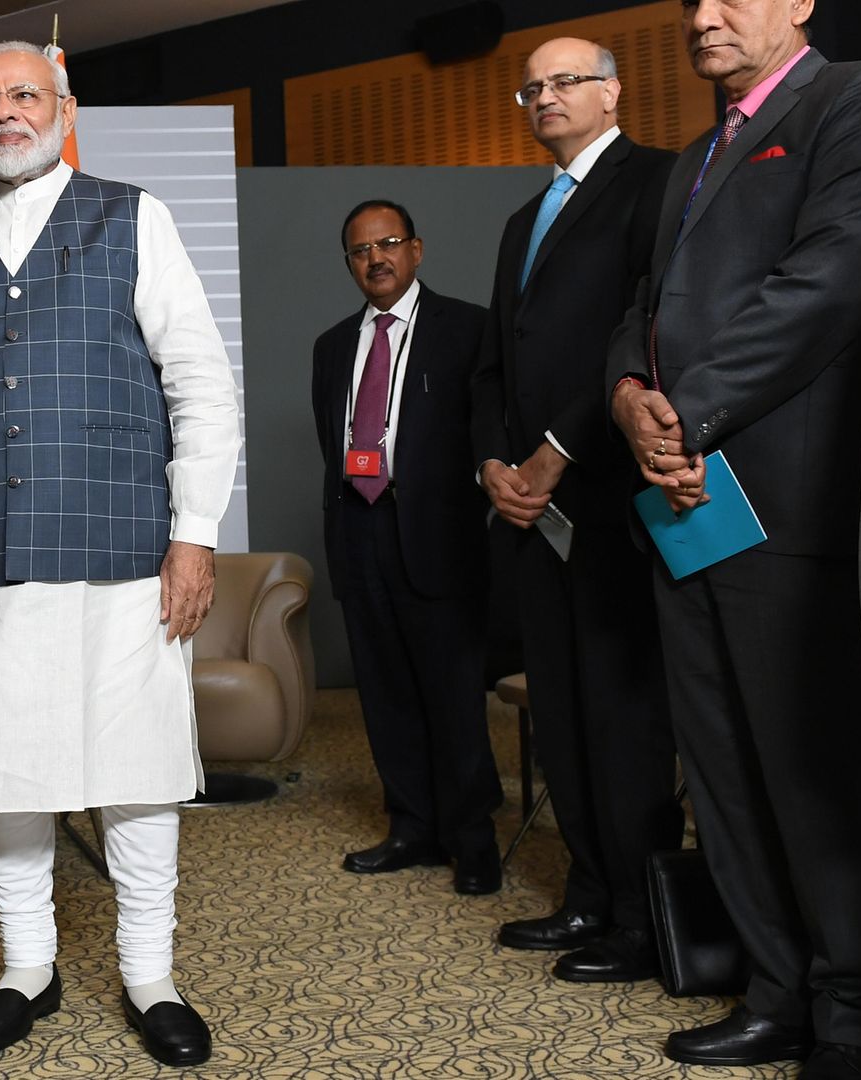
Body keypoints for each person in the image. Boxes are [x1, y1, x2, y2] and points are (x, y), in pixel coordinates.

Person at [0, 39, 239, 1069]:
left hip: (124, 543)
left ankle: (150, 975)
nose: (2, 113)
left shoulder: (134, 216)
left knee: (138, 768)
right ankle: (28, 965)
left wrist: (194, 534)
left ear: (64, 107)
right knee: (6, 765)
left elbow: (199, 382)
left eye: (23, 95)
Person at [602, 0, 861, 1075]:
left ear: (800, 5)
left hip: (790, 499)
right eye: (694, 0)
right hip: (683, 504)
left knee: (813, 766)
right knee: (727, 766)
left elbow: (825, 285)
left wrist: (686, 414)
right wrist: (630, 398)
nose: (706, 15)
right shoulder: (696, 152)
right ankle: (778, 990)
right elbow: (641, 306)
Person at [473, 37, 680, 982]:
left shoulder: (660, 185)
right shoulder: (522, 218)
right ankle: (589, 896)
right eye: (533, 87)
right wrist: (493, 463)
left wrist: (555, 451)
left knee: (624, 716)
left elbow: (640, 331)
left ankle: (643, 919)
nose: (545, 97)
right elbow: (495, 361)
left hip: (611, 498)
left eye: (565, 82)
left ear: (612, 91)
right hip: (530, 514)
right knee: (560, 714)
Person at [310, 200, 500, 895]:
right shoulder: (332, 346)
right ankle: (412, 826)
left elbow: (485, 434)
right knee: (385, 690)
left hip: (438, 536)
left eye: (388, 244)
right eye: (361, 250)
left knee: (452, 693)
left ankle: (471, 837)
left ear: (416, 250)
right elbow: (332, 446)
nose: (376, 259)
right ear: (349, 264)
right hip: (359, 532)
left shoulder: (470, 330)